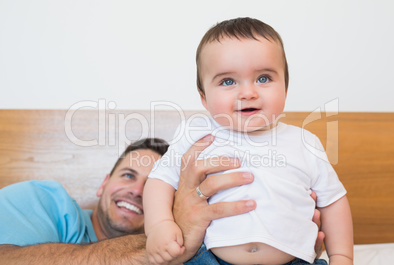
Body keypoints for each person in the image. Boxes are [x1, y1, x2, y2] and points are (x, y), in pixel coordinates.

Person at [144, 17, 353, 265]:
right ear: (204, 97)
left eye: (263, 78)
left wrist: (342, 256)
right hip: (209, 258)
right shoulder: (196, 133)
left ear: (285, 86)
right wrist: (160, 225)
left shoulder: (304, 141)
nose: (248, 93)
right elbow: (159, 180)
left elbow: (334, 201)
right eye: (228, 81)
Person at [0, 137, 259, 264]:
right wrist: (154, 249)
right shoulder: (46, 200)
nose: (136, 191)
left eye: (152, 186)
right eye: (127, 175)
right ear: (104, 183)